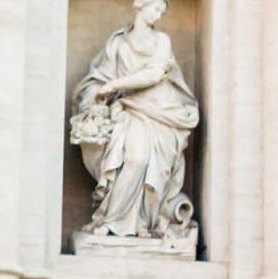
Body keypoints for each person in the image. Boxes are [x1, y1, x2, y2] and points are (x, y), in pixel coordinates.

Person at [70, 0, 200, 239]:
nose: (158, 15)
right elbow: (99, 77)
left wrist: (112, 86)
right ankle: (114, 221)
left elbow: (154, 73)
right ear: (140, 4)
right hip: (128, 109)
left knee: (141, 160)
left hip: (161, 111)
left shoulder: (162, 40)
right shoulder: (118, 43)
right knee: (133, 158)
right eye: (155, 8)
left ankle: (142, 222)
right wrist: (96, 96)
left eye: (162, 11)